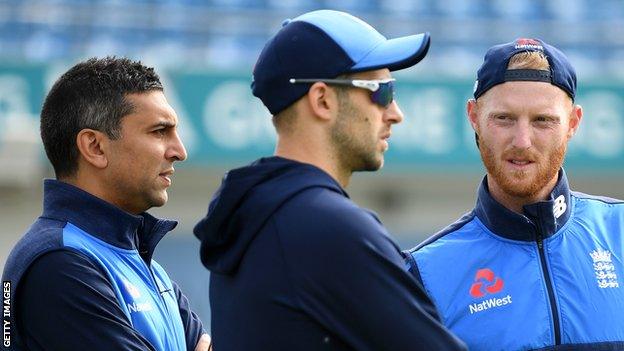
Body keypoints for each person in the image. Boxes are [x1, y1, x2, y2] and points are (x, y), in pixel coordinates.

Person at [193, 9, 467, 351]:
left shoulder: (252, 210)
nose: (396, 113)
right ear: (322, 100)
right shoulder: (328, 227)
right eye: (381, 91)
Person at [407, 38, 624, 350]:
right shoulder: (424, 274)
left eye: (542, 120)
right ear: (474, 117)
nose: (522, 141)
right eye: (504, 118)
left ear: (573, 123)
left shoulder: (619, 230)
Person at [2, 57, 210, 351]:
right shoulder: (59, 263)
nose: (180, 151)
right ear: (95, 147)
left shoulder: (143, 263)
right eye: (160, 131)